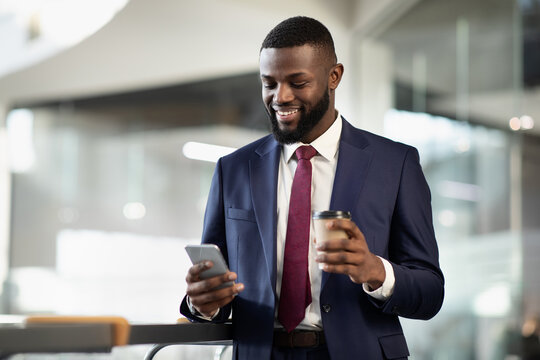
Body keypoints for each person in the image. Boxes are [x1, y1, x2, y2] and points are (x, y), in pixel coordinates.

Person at [180, 16, 444, 360]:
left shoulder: (395, 164)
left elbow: (430, 292)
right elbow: (215, 286)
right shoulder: (233, 169)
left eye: (297, 82)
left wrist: (375, 270)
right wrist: (202, 304)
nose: (280, 97)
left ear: (334, 77)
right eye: (269, 83)